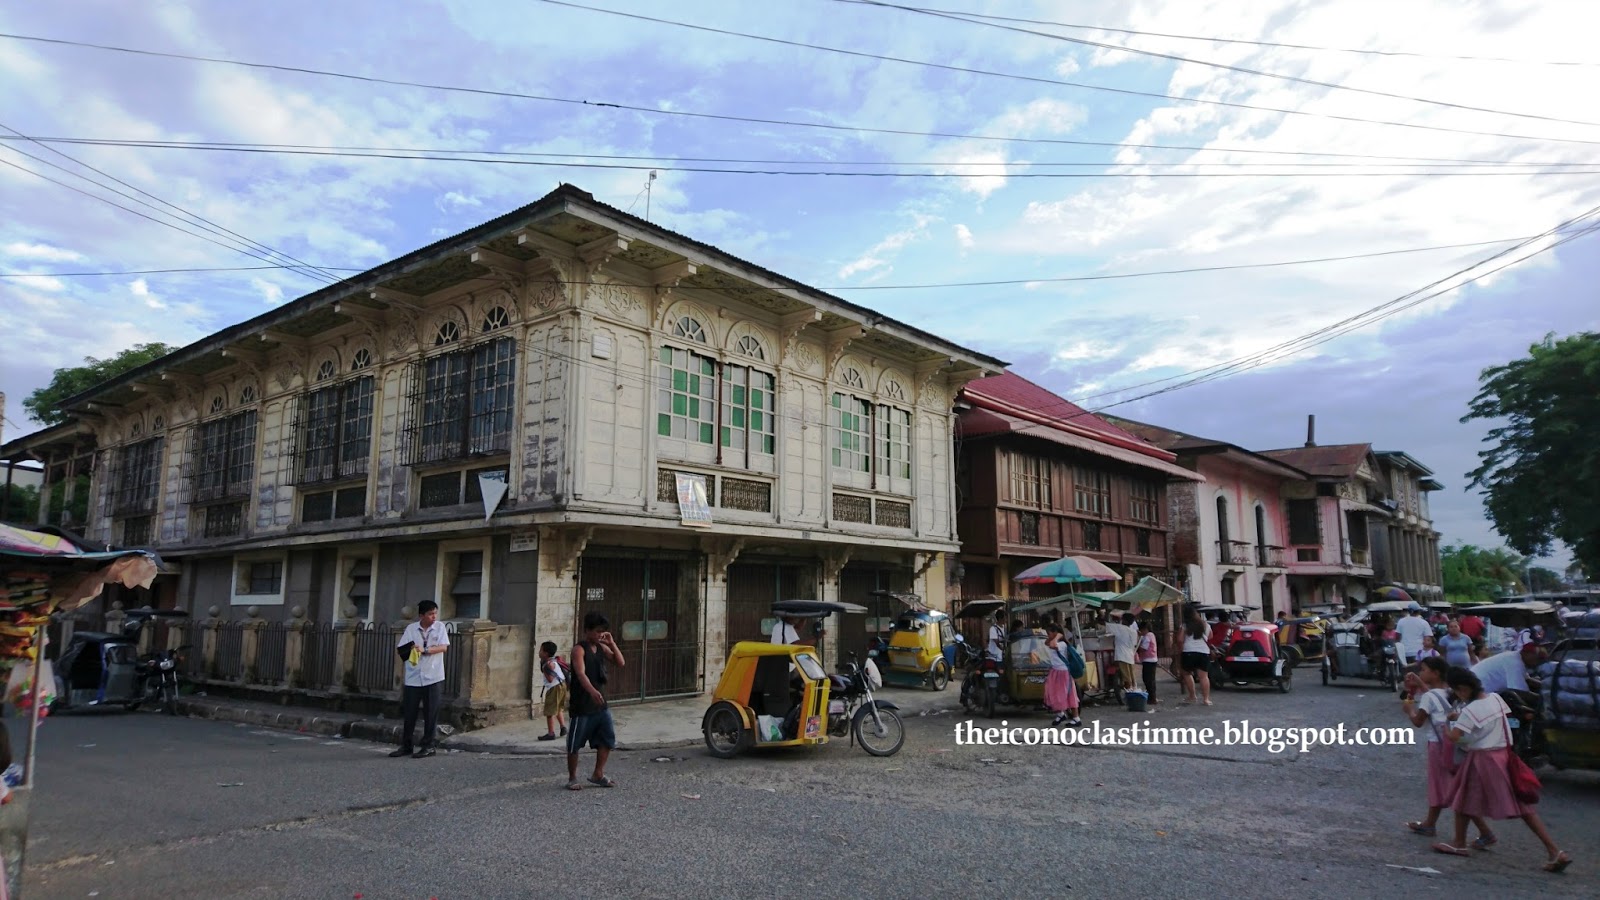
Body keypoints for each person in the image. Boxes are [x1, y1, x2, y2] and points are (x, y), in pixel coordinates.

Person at [1433, 668, 1571, 872]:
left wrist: (1446, 725)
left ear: (1463, 689)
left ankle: (1459, 843)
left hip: (1483, 759)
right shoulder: (1495, 698)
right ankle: (1554, 851)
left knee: (1462, 801)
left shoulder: (1470, 711)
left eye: (1457, 691)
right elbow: (1486, 719)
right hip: (1503, 755)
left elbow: (1455, 737)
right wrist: (1461, 716)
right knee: (1522, 807)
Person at [1401, 657, 1487, 841]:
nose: (1421, 673)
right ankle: (1430, 823)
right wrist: (1419, 682)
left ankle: (1485, 831)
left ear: (1435, 673)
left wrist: (1409, 710)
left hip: (1437, 746)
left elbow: (1418, 721)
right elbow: (1434, 696)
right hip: (1453, 745)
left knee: (1446, 787)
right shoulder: (1448, 692)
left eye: (1424, 670)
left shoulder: (1428, 697)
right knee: (1446, 785)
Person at [567, 612, 626, 791]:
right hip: (582, 704)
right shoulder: (579, 649)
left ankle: (598, 774)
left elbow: (620, 663)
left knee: (607, 738)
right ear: (587, 630)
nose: (600, 634)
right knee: (575, 743)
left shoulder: (601, 647)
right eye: (597, 631)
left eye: (602, 631)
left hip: (600, 704)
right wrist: (592, 691)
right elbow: (580, 673)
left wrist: (612, 643)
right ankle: (572, 778)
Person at [391, 599, 449, 759]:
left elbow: (443, 647)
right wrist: (413, 649)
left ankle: (428, 746)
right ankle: (406, 745)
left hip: (433, 676)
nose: (434, 617)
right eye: (430, 614)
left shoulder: (440, 627)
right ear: (421, 615)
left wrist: (425, 649)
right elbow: (401, 650)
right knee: (410, 713)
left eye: (435, 613)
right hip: (414, 677)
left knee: (431, 713)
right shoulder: (411, 629)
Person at [1043, 624, 1081, 727]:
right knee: (1054, 693)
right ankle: (1060, 713)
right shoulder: (1055, 641)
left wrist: (1057, 636)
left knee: (1068, 694)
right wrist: (1054, 636)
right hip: (1055, 670)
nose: (1048, 635)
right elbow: (1046, 643)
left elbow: (1052, 645)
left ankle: (1076, 718)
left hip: (1063, 672)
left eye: (1049, 633)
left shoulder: (1062, 644)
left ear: (1055, 632)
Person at [1471, 643, 1543, 695]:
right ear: (1527, 653)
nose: (1537, 662)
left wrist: (1545, 685)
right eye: (1537, 658)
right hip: (1479, 690)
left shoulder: (1515, 657)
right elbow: (1520, 691)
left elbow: (1527, 680)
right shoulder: (1515, 663)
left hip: (1478, 686)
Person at [1178, 608, 1212, 706]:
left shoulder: (1185, 625)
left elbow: (1180, 639)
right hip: (1204, 652)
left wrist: (1180, 648)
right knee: (1204, 677)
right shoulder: (1206, 625)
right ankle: (1206, 699)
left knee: (1187, 673)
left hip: (1189, 651)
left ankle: (1192, 696)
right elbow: (1210, 637)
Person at [536, 640, 568, 741]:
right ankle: (563, 727)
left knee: (549, 711)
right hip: (562, 685)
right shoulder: (554, 660)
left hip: (554, 687)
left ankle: (551, 733)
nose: (539, 652)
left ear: (545, 653)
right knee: (558, 708)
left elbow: (550, 679)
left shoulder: (547, 664)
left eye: (541, 650)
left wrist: (545, 669)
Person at [1109, 612, 1138, 695]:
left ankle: (1129, 692)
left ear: (1124, 620)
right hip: (1130, 655)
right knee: (1131, 676)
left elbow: (1106, 627)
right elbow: (1134, 644)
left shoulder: (1119, 628)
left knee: (1126, 677)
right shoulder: (1133, 632)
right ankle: (1133, 690)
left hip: (1121, 655)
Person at [1136, 620, 1160, 705]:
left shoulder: (1147, 636)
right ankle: (1152, 697)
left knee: (1147, 679)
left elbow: (1144, 647)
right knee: (1150, 679)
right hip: (1152, 659)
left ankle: (1152, 697)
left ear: (1145, 629)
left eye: (1141, 630)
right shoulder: (1151, 635)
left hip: (1148, 659)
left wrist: (1138, 646)